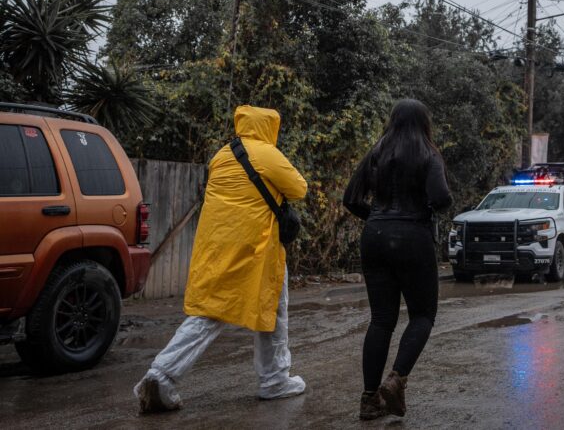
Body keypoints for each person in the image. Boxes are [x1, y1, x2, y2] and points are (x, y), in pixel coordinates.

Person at [134, 106, 309, 413]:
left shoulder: (222, 155)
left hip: (217, 248)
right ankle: (274, 380)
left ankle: (161, 373)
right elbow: (299, 188)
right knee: (272, 310)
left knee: (209, 313)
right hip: (257, 250)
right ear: (270, 127)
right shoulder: (268, 154)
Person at [343, 99, 452, 421]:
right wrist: (420, 213)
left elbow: (350, 198)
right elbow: (442, 199)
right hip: (413, 238)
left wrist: (377, 218)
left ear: (392, 121)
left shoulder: (377, 151)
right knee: (422, 315)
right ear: (424, 123)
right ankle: (396, 379)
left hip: (374, 237)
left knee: (381, 320)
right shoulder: (428, 154)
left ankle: (368, 400)